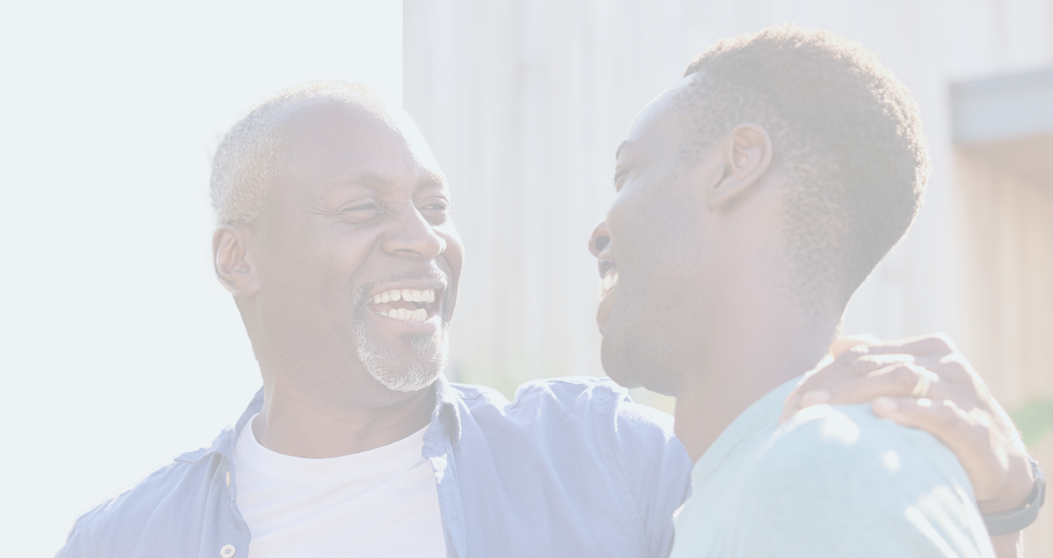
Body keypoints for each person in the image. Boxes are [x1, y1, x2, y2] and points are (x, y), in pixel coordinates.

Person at [57, 79, 1034, 556]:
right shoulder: (122, 540)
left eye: (434, 210)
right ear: (241, 258)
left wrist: (1005, 503)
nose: (421, 240)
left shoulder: (603, 458)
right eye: (364, 210)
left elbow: (815, 519)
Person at [587, 24, 1039, 558]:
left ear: (735, 166)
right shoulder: (764, 488)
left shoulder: (819, 473)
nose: (598, 235)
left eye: (627, 174)